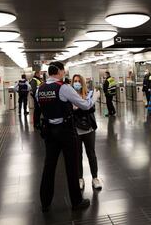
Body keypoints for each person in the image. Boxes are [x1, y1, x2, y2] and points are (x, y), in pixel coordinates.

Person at [37, 61, 99, 212]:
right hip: (65, 130)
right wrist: (95, 97)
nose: (64, 73)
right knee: (71, 165)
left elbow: (42, 107)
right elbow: (84, 105)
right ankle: (76, 201)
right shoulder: (63, 87)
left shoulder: (40, 89)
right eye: (63, 71)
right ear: (59, 71)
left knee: (49, 166)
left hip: (49, 131)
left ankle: (45, 202)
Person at [71, 74, 102, 191]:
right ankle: (80, 178)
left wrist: (79, 107)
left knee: (91, 154)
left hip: (89, 129)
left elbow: (91, 109)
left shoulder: (89, 93)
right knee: (78, 155)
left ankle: (95, 178)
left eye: (79, 81)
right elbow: (71, 111)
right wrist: (83, 106)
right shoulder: (70, 95)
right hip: (76, 130)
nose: (77, 83)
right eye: (75, 81)